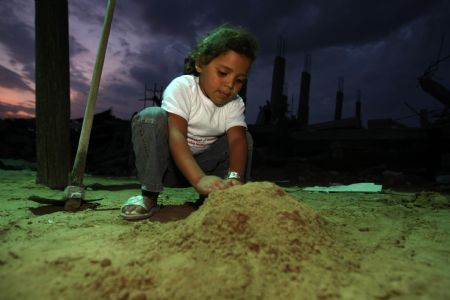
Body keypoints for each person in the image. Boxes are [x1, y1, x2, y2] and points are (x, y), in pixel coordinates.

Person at [121, 24, 258, 220]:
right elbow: (176, 133)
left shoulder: (235, 103)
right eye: (223, 73)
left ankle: (217, 199)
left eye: (239, 80)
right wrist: (198, 178)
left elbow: (236, 141)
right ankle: (149, 197)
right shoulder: (182, 87)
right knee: (151, 116)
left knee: (245, 137)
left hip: (207, 170)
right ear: (200, 63)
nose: (230, 85)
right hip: (167, 169)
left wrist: (235, 177)